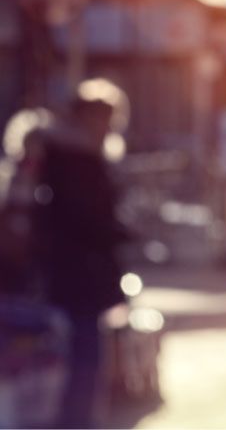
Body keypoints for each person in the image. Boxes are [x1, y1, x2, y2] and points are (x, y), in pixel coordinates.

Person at [34, 95, 130, 428]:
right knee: (85, 357)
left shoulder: (69, 156)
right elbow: (86, 219)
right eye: (101, 120)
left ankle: (78, 419)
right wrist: (118, 232)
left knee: (82, 355)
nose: (106, 129)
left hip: (74, 271)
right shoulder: (78, 161)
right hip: (78, 273)